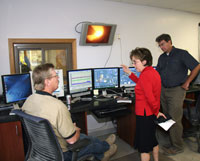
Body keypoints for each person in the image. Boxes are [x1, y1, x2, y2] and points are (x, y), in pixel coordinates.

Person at [22, 63, 117, 161]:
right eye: (56, 76)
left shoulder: (29, 101)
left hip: (42, 149)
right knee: (90, 143)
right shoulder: (57, 106)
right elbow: (72, 140)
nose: (58, 78)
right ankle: (106, 150)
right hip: (63, 154)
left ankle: (104, 146)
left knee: (89, 138)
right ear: (47, 82)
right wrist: (75, 129)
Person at [155, 34, 200, 155]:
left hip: (176, 90)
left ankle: (178, 146)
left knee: (174, 119)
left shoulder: (182, 53)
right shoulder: (162, 57)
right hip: (163, 90)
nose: (161, 47)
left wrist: (188, 81)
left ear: (169, 42)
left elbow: (197, 66)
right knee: (167, 118)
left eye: (163, 44)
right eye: (159, 45)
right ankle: (172, 141)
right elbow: (157, 73)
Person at [121, 47, 166, 161]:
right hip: (150, 113)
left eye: (135, 62)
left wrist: (157, 112)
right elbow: (142, 84)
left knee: (144, 147)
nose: (134, 65)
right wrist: (130, 73)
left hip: (145, 114)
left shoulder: (146, 75)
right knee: (152, 139)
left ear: (144, 61)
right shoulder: (152, 72)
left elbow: (150, 98)